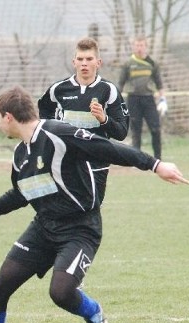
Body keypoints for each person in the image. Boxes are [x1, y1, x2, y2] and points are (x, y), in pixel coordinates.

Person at [0, 86, 189, 323]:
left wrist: (155, 164)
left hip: (80, 228)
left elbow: (108, 149)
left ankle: (93, 313)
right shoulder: (20, 155)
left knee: (61, 292)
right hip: (43, 229)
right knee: (0, 287)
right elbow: (22, 194)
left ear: (9, 117)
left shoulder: (58, 133)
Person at [38, 37, 129, 204]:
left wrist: (104, 119)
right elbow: (43, 115)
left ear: (98, 62)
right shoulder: (58, 90)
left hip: (97, 163)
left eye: (89, 59)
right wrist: (49, 137)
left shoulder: (108, 91)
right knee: (64, 211)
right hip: (65, 161)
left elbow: (121, 132)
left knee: (90, 210)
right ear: (74, 62)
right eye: (80, 59)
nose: (84, 63)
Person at [118, 35, 166, 159]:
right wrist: (116, 101)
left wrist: (163, 99)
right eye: (137, 45)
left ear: (146, 47)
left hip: (148, 99)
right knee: (136, 130)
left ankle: (158, 158)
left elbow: (159, 83)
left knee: (155, 129)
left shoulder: (152, 63)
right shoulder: (128, 63)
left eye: (142, 45)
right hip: (133, 99)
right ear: (134, 47)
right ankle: (136, 159)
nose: (139, 48)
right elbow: (121, 83)